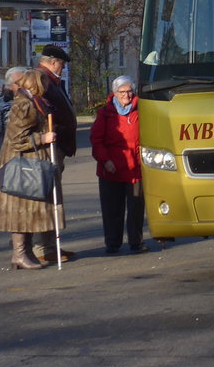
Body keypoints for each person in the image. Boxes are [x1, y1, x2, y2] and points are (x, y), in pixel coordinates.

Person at [0, 68, 60, 270]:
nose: (46, 87)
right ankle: (19, 254)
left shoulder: (33, 102)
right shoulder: (24, 105)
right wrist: (42, 138)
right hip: (21, 166)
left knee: (27, 211)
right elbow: (16, 138)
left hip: (27, 164)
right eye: (44, 83)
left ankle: (25, 252)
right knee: (20, 211)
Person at [90, 75, 146, 254]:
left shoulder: (142, 110)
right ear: (114, 93)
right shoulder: (105, 113)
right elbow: (97, 140)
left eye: (129, 91)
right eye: (122, 92)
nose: (126, 95)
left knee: (136, 208)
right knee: (112, 208)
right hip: (111, 169)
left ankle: (136, 242)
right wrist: (105, 160)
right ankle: (113, 243)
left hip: (136, 169)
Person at [35, 44, 78, 262]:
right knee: (49, 198)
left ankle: (50, 246)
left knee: (54, 197)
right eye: (61, 64)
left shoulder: (51, 80)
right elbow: (41, 111)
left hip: (57, 146)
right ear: (53, 62)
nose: (63, 69)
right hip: (48, 148)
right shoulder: (42, 80)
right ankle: (44, 248)